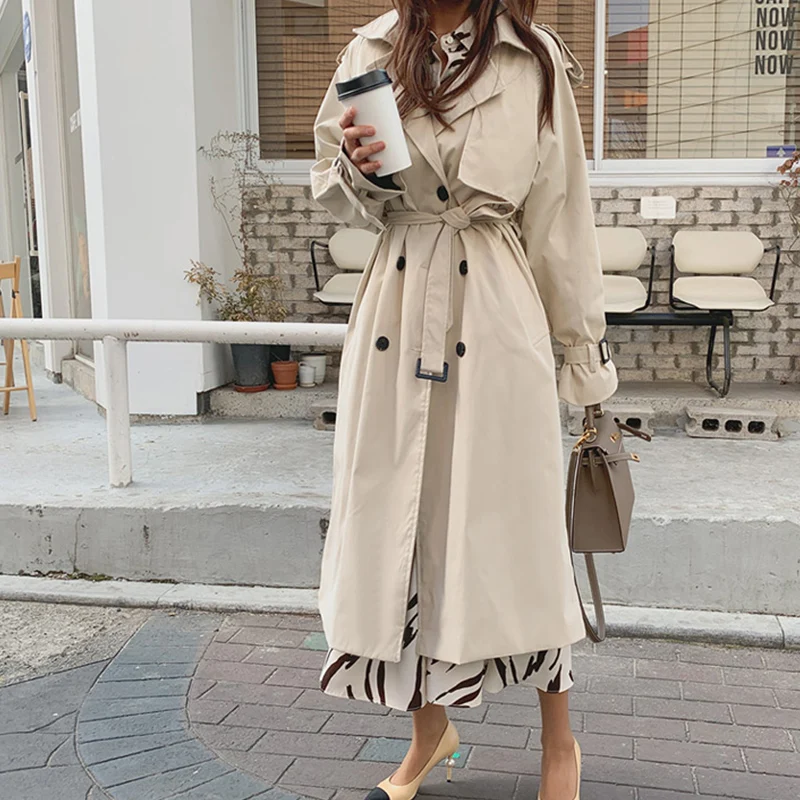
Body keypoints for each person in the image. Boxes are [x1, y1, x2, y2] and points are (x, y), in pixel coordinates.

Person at [310, 1, 617, 798]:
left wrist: (583, 359)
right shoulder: (371, 48)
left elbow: (561, 218)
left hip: (494, 310)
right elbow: (337, 194)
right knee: (402, 530)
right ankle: (429, 733)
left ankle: (560, 745)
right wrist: (355, 166)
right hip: (397, 306)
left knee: (518, 537)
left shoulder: (531, 57)